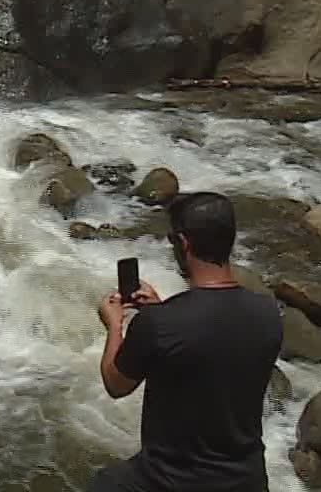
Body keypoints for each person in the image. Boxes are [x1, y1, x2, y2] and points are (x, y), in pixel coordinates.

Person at [92, 191, 282, 492]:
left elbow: (116, 384)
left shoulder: (160, 325)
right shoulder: (268, 313)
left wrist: (114, 325)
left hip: (167, 482)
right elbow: (210, 342)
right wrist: (159, 310)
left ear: (184, 243)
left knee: (104, 483)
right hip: (246, 481)